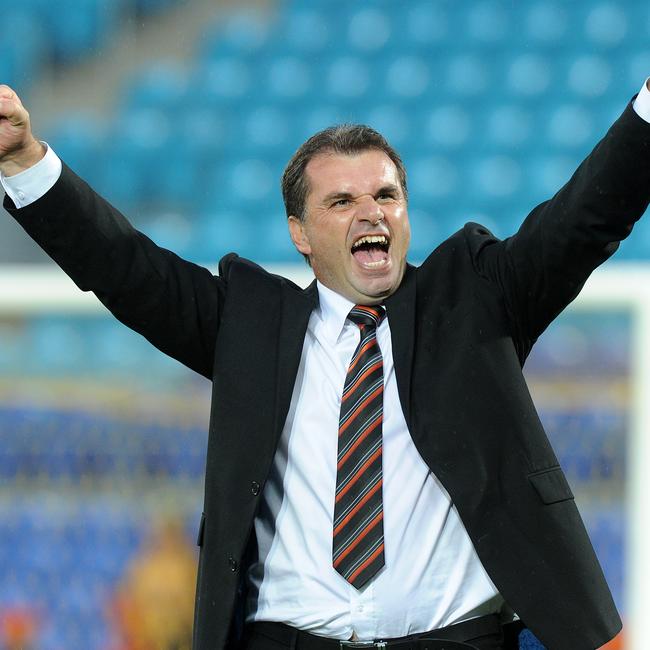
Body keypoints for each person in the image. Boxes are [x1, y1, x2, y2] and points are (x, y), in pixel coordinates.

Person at [1, 77, 649, 650]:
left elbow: (585, 219)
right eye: (341, 202)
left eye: (386, 195)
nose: (371, 211)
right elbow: (121, 265)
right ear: (300, 233)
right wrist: (25, 161)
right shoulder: (248, 326)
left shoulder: (476, 300)